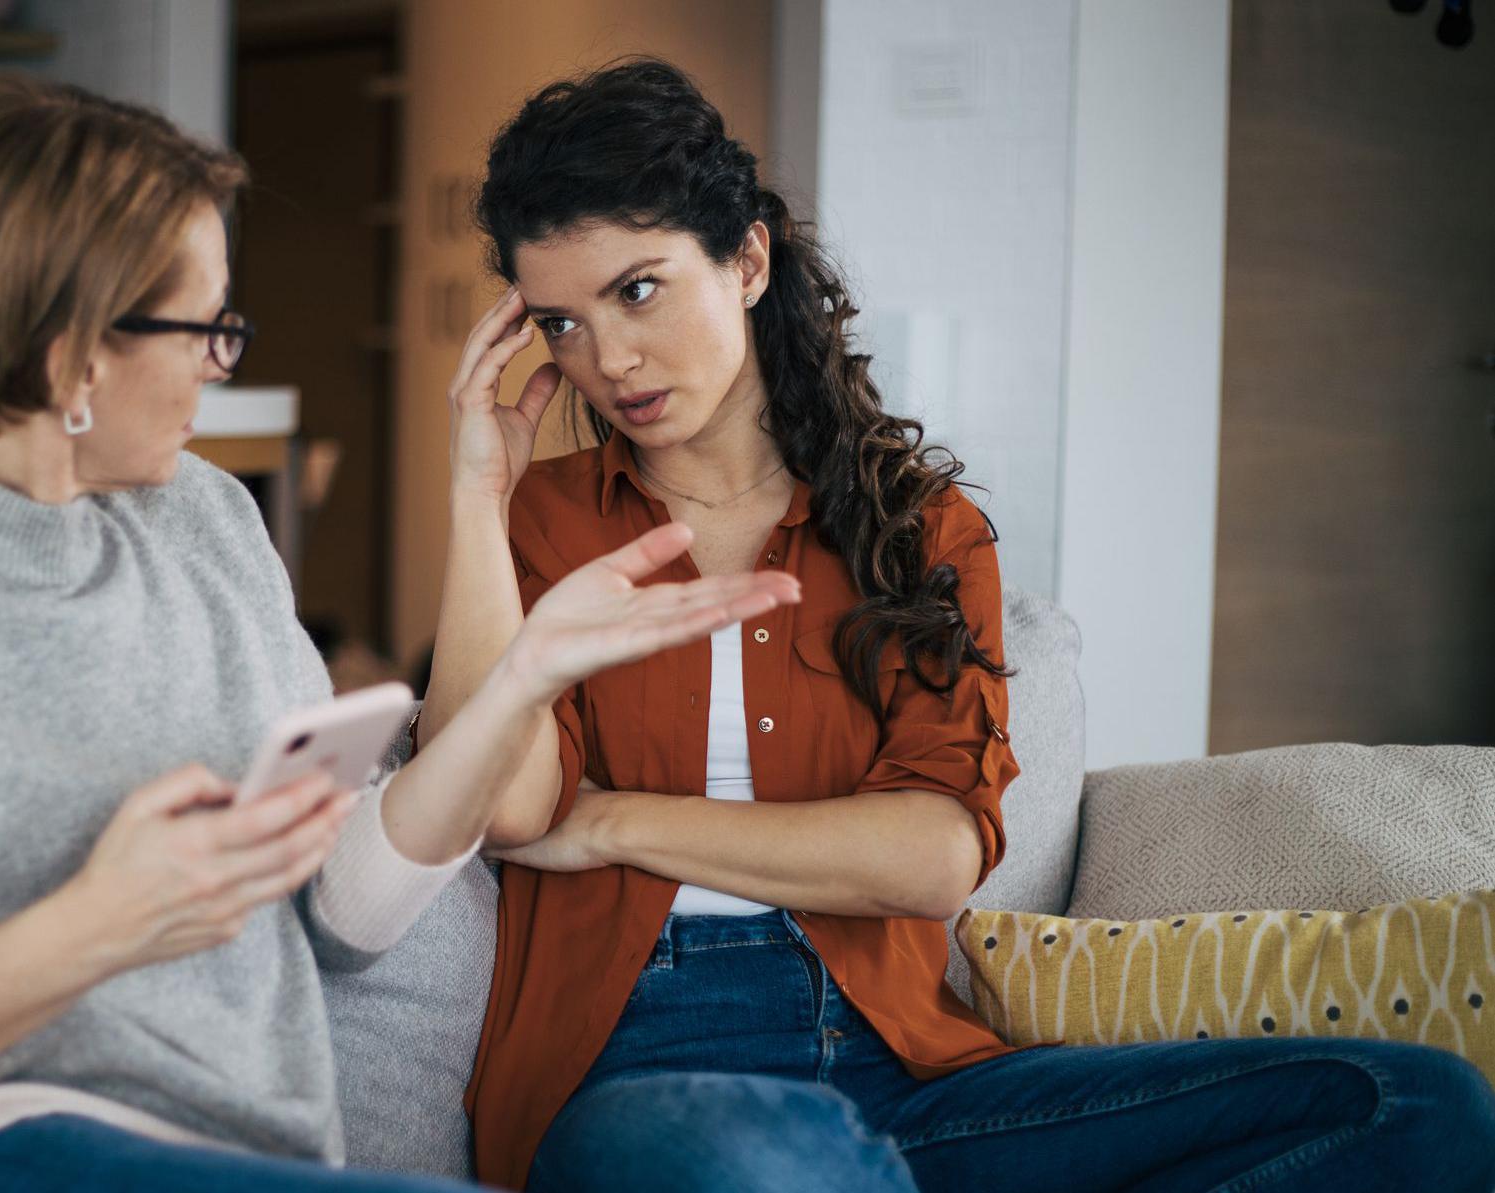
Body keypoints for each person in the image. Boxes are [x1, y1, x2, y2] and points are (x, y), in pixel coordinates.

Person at [0, 71, 799, 1193]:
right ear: (74, 356)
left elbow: (345, 917)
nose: (225, 360)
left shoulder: (205, 523)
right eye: (205, 326)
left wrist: (522, 680)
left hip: (251, 1154)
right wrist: (97, 923)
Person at [418, 57, 1495, 1193]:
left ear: (745, 260)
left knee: (1413, 1101)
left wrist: (615, 821)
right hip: (641, 1076)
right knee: (749, 1165)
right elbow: (499, 804)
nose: (607, 359)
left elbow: (930, 857)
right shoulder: (544, 522)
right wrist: (475, 501)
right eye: (562, 323)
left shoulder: (921, 529)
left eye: (637, 289)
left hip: (901, 1073)